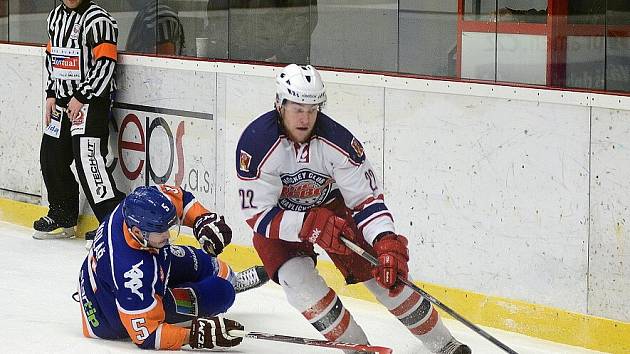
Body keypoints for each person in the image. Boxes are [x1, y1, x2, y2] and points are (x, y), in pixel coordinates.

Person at [235, 64, 471, 354]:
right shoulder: (256, 144)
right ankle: (358, 349)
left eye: (312, 109)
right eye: (297, 108)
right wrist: (307, 223)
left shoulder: (339, 142)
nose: (305, 118)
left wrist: (385, 240)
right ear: (279, 104)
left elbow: (365, 201)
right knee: (300, 285)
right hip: (280, 222)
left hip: (333, 211)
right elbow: (258, 214)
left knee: (386, 276)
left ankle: (443, 343)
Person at [77, 184, 269, 349]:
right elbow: (147, 336)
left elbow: (180, 199)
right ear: (138, 231)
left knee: (201, 260)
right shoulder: (132, 275)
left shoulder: (137, 206)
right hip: (110, 316)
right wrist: (195, 336)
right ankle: (188, 292)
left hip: (129, 267)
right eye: (161, 231)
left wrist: (202, 220)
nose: (168, 235)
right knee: (221, 294)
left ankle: (231, 278)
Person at [34, 0, 125, 241]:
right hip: (63, 102)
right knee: (51, 155)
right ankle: (63, 214)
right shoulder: (55, 16)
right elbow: (52, 57)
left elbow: (106, 64)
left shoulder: (99, 19)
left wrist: (81, 96)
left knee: (89, 161)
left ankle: (113, 223)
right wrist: (51, 93)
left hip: (91, 101)